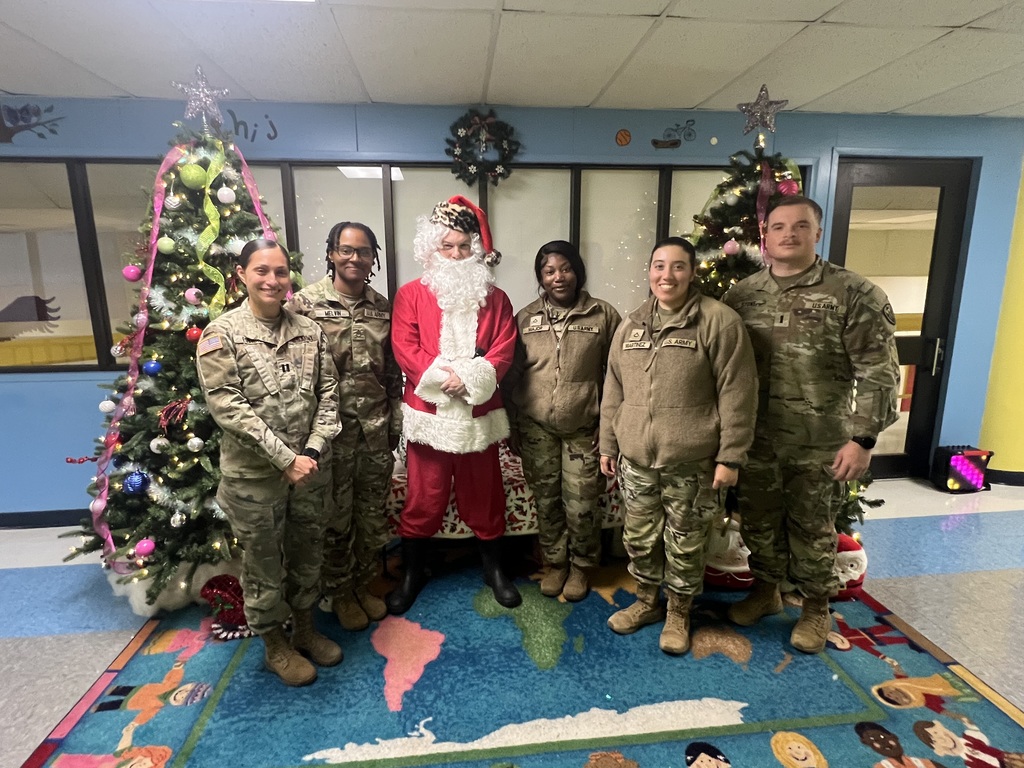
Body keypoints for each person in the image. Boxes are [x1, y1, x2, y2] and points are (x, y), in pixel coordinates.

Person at [723, 195, 900, 654]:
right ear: (765, 234)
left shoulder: (854, 294)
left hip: (820, 442)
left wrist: (863, 439)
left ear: (817, 233)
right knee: (758, 522)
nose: (788, 234)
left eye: (800, 226)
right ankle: (765, 591)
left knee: (813, 528)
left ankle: (816, 608)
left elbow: (879, 372)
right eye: (778, 226)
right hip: (757, 439)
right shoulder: (742, 295)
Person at [599, 237, 756, 655]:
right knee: (640, 537)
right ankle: (648, 602)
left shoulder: (718, 322)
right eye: (658, 266)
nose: (666, 276)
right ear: (649, 271)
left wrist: (730, 456)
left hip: (692, 459)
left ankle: (679, 611)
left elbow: (738, 393)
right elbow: (613, 389)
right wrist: (607, 444)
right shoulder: (630, 326)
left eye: (678, 267)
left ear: (692, 271)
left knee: (685, 541)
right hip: (636, 459)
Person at [196, 238, 342, 686]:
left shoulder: (309, 331)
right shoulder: (221, 335)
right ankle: (274, 645)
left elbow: (330, 395)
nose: (273, 280)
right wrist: (285, 459)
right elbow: (228, 408)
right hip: (254, 481)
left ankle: (303, 629)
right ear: (241, 274)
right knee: (263, 565)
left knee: (307, 554)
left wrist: (312, 452)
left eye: (280, 272)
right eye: (262, 271)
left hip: (310, 472)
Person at [387, 195, 521, 613]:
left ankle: (494, 570)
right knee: (423, 496)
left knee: (485, 494)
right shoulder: (410, 294)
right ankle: (412, 573)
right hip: (429, 415)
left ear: (476, 251)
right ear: (433, 249)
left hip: (479, 413)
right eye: (449, 246)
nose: (458, 254)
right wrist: (447, 380)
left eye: (465, 247)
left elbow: (504, 348)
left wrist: (473, 380)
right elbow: (404, 346)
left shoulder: (496, 299)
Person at [287, 222, 402, 632]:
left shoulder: (383, 308)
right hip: (327, 434)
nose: (355, 258)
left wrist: (395, 424)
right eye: (347, 250)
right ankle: (338, 592)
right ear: (332, 253)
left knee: (371, 515)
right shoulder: (304, 305)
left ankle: (362, 584)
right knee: (335, 517)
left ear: (374, 258)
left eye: (364, 251)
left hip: (374, 430)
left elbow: (392, 374)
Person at [504, 240, 620, 602]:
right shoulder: (525, 318)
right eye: (549, 271)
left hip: (584, 429)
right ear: (541, 277)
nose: (559, 277)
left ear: (578, 271)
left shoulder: (603, 315)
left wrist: (611, 427)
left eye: (565, 268)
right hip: (536, 427)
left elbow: (619, 376)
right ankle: (555, 564)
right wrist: (510, 424)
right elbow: (511, 375)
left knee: (582, 505)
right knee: (547, 501)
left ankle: (582, 567)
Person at [855, 721, 948, 768]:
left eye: (883, 737)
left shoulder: (926, 763)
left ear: (893, 736)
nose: (883, 743)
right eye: (875, 741)